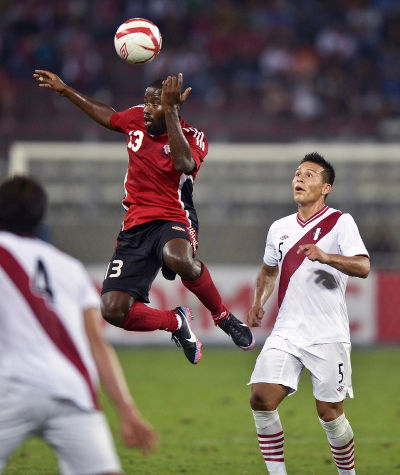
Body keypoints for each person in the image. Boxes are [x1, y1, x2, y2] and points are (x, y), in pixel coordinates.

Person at [33, 69, 255, 364]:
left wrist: (173, 114)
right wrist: (66, 90)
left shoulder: (193, 137)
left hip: (173, 216)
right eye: (146, 102)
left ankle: (223, 317)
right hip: (135, 226)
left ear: (173, 108)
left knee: (178, 258)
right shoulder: (137, 118)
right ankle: (176, 323)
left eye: (155, 104)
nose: (147, 110)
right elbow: (110, 117)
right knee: (112, 309)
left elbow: (184, 162)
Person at [0, 176, 158, 475]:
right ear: (40, 218)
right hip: (72, 390)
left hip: (11, 386)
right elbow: (97, 343)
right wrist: (127, 411)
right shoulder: (70, 267)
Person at [247, 152, 370, 475]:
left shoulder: (340, 222)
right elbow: (268, 270)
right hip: (287, 331)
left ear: (326, 187)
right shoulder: (279, 228)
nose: (299, 179)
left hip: (327, 333)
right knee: (261, 398)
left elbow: (363, 266)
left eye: (309, 175)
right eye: (297, 173)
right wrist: (260, 300)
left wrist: (326, 257)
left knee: (330, 413)